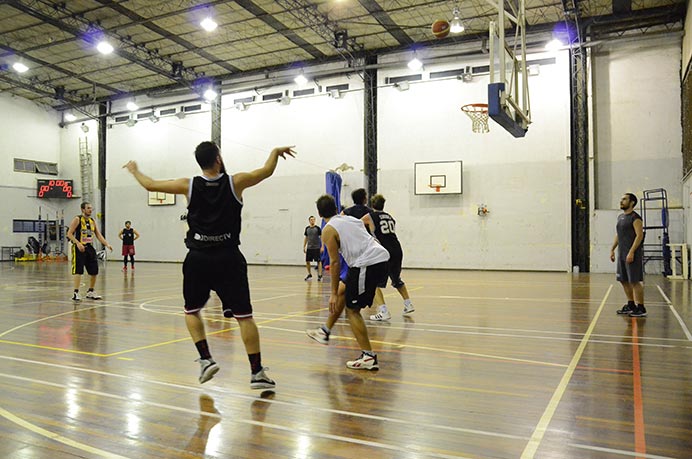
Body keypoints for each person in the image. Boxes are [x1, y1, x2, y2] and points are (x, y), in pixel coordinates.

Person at [123, 141, 295, 388]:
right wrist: (275, 153)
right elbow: (265, 171)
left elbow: (150, 184)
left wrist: (134, 169)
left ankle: (206, 359)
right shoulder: (235, 182)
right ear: (218, 159)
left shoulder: (188, 185)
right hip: (228, 257)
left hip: (198, 259)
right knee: (244, 317)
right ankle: (256, 373)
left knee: (191, 311)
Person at [306, 194, 389, 370]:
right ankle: (325, 331)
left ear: (319, 214)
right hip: (377, 259)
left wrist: (332, 293)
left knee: (352, 310)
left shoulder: (328, 229)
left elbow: (334, 263)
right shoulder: (350, 219)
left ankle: (368, 357)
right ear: (336, 208)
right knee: (345, 290)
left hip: (366, 263)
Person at [362, 194, 415, 320]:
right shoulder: (390, 217)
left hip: (384, 252)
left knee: (373, 283)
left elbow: (357, 225)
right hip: (397, 249)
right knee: (396, 279)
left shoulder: (369, 216)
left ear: (372, 205)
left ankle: (384, 311)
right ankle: (408, 303)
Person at [66, 202, 113, 301]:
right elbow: (69, 234)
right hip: (79, 248)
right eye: (88, 208)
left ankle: (90, 291)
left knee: (94, 270)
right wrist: (78, 243)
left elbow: (98, 235)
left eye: (91, 208)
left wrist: (107, 244)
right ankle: (76, 292)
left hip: (89, 247)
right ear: (83, 209)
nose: (90, 210)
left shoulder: (92, 221)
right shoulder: (77, 219)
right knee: (78, 270)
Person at [610, 192, 646, 317]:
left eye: (624, 199)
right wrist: (612, 249)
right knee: (623, 280)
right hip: (622, 254)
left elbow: (639, 235)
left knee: (634, 281)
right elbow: (618, 235)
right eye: (621, 199)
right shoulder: (620, 217)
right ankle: (631, 304)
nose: (621, 201)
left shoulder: (635, 218)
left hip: (632, 255)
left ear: (632, 203)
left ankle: (640, 308)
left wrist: (631, 252)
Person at [303, 216, 323, 281]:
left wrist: (322, 246)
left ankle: (320, 275)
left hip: (316, 248)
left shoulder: (318, 228)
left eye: (313, 220)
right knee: (307, 261)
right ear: (309, 221)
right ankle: (309, 274)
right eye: (311, 220)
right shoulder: (307, 229)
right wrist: (304, 246)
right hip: (309, 248)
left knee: (319, 261)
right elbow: (306, 238)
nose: (312, 221)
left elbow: (322, 237)